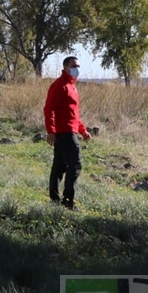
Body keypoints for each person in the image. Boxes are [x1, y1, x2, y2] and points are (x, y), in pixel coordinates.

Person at [43, 56, 91, 209]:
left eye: (78, 66)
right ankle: (68, 201)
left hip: (70, 131)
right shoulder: (59, 85)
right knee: (75, 165)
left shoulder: (72, 87)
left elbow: (74, 115)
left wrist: (83, 131)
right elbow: (49, 109)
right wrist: (51, 131)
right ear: (65, 67)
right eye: (74, 65)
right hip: (64, 133)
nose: (77, 69)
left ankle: (55, 201)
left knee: (59, 166)